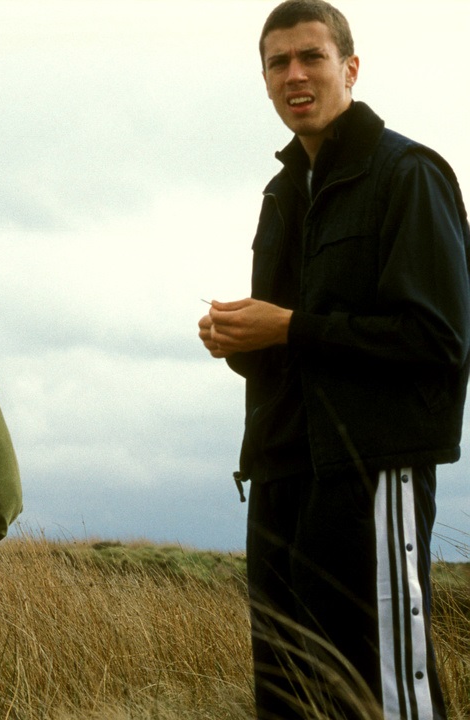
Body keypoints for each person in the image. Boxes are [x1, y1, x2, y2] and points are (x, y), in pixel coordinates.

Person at [198, 2, 470, 718]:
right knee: (289, 694)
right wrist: (240, 342)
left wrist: (287, 328)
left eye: (310, 57)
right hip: (283, 473)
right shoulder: (283, 192)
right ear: (264, 81)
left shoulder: (407, 174)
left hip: (370, 474)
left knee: (381, 695)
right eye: (277, 62)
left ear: (349, 68)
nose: (294, 74)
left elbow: (439, 341)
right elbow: (287, 346)